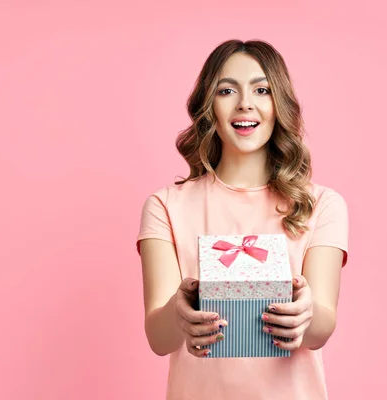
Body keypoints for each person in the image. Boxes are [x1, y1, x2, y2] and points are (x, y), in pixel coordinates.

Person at [136, 39, 349, 400]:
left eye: (262, 89)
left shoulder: (322, 204)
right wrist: (179, 313)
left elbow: (322, 326)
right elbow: (158, 339)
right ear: (210, 106)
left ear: (278, 104)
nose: (245, 103)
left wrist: (306, 315)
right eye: (227, 89)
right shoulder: (165, 206)